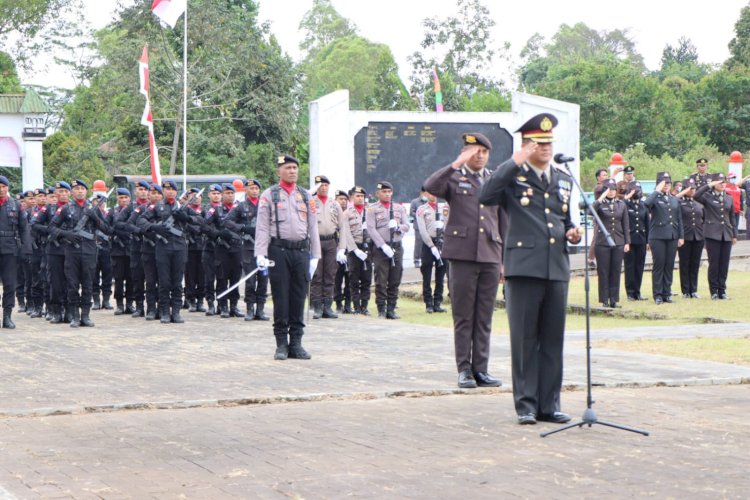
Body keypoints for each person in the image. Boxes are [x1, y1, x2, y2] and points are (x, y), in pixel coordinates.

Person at [479, 113, 582, 425]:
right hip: (524, 267)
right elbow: (486, 195)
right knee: (524, 340)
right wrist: (513, 162)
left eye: (549, 143)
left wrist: (573, 231)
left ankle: (549, 404)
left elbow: (563, 220)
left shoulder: (563, 178)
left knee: (553, 340)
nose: (546, 148)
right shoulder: (513, 177)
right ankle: (526, 405)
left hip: (556, 267)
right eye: (539, 143)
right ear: (525, 146)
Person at [424, 132, 505, 390]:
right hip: (462, 255)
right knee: (463, 316)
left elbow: (504, 220)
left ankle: (481, 368)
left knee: (484, 316)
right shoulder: (454, 178)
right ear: (464, 153)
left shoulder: (494, 180)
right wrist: (456, 163)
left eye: (483, 151)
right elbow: (431, 186)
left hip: (491, 255)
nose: (479, 155)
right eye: (474, 151)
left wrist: (503, 259)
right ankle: (464, 369)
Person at [255, 155, 321, 360]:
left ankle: (297, 344)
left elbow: (313, 226)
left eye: (295, 167)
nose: (293, 171)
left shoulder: (305, 196)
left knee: (299, 297)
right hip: (279, 251)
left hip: (301, 252)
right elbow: (263, 226)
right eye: (288, 167)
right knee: (281, 297)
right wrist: (260, 253)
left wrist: (315, 256)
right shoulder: (269, 195)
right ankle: (281, 344)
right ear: (279, 171)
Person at [49, 179, 110, 327]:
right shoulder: (66, 209)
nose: (80, 191)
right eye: (76, 189)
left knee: (88, 284)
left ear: (86, 191)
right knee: (72, 284)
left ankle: (85, 316)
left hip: (89, 250)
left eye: (82, 188)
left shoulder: (94, 208)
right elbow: (52, 227)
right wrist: (66, 234)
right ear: (72, 192)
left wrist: (95, 217)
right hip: (72, 251)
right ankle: (75, 316)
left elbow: (107, 229)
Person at [137, 180, 192, 323]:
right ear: (164, 192)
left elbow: (200, 221)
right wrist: (154, 228)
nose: (170, 192)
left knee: (177, 282)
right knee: (164, 281)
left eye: (172, 189)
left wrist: (187, 218)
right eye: (166, 189)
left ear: (176, 191)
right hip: (163, 247)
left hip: (179, 247)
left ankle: (176, 312)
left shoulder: (182, 207)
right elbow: (140, 220)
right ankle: (165, 312)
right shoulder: (157, 207)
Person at [224, 179, 269, 321]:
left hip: (265, 247)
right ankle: (250, 308)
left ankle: (260, 309)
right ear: (246, 190)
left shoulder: (266, 205)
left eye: (256, 188)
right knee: (250, 279)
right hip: (249, 247)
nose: (254, 190)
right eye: (251, 188)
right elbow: (227, 221)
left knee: (263, 279)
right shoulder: (241, 206)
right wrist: (242, 228)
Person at [366, 181, 409, 319]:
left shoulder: (399, 208)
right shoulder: (372, 209)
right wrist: (382, 246)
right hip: (381, 248)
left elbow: (407, 225)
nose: (387, 194)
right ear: (378, 193)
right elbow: (371, 229)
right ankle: (381, 309)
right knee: (381, 279)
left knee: (395, 278)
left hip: (396, 246)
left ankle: (391, 308)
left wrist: (398, 227)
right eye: (384, 192)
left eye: (389, 191)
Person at [310, 175, 348, 319]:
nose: (323, 188)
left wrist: (342, 248)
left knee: (330, 275)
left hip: (331, 242)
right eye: (320, 185)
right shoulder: (311, 202)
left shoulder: (334, 204)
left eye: (326, 185)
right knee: (317, 275)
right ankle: (317, 307)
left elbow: (342, 227)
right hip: (316, 242)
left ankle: (328, 307)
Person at [694, 173, 737, 299]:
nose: (723, 184)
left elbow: (732, 216)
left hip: (726, 234)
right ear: (714, 183)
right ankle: (714, 291)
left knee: (724, 264)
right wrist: (708, 185)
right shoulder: (707, 196)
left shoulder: (728, 198)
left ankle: (722, 290)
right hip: (712, 234)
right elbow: (696, 195)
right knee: (714, 264)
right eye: (720, 182)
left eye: (724, 182)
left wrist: (734, 234)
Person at [643, 172, 684, 304]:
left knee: (669, 265)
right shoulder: (654, 197)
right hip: (658, 236)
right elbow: (646, 205)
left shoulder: (674, 198)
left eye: (668, 183)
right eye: (663, 183)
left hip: (672, 235)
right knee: (659, 265)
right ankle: (658, 294)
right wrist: (656, 190)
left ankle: (667, 293)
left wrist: (681, 236)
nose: (666, 185)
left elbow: (679, 219)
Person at [592, 179, 630, 308]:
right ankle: (604, 299)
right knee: (603, 271)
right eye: (609, 190)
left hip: (618, 241)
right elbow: (591, 211)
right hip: (602, 242)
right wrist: (601, 198)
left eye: (614, 189)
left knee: (616, 270)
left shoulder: (621, 204)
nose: (612, 192)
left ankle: (614, 299)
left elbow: (625, 224)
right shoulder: (600, 204)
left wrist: (627, 242)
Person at [0, 176, 30, 328]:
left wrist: (26, 249)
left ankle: (7, 317)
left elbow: (24, 228)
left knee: (10, 284)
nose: (1, 189)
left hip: (10, 249)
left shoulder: (16, 205)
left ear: (8, 188)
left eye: (3, 186)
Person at [415, 190, 448, 313]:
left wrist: (444, 230)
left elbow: (450, 224)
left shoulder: (444, 207)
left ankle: (437, 303)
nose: (432, 195)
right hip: (428, 245)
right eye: (430, 193)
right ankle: (428, 303)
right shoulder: (421, 209)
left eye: (434, 193)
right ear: (425, 194)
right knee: (427, 275)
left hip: (443, 243)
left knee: (441, 275)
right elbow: (422, 230)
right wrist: (431, 246)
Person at [343, 186, 372, 315]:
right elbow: (346, 233)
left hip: (367, 248)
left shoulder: (369, 212)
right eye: (357, 196)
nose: (360, 198)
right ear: (351, 198)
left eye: (362, 196)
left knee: (367, 279)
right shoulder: (347, 213)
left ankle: (364, 306)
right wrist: (354, 249)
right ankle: (356, 306)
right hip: (354, 249)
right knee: (353, 279)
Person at [676, 179, 704, 299]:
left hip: (698, 237)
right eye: (690, 188)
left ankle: (694, 289)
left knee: (695, 264)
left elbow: (703, 221)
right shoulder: (679, 202)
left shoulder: (699, 204)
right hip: (685, 237)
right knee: (685, 264)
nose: (692, 191)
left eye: (694, 188)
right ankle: (686, 290)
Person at [623, 181, 649, 301]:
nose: (636, 192)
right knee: (630, 266)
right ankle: (630, 292)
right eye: (634, 190)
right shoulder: (626, 205)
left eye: (638, 190)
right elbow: (620, 203)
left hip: (641, 240)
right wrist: (628, 195)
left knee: (639, 266)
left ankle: (637, 291)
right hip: (630, 240)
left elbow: (647, 224)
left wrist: (648, 241)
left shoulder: (643, 205)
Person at [109, 188, 133, 315]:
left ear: (129, 198)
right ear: (117, 199)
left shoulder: (133, 211)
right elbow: (106, 227)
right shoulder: (112, 212)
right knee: (118, 278)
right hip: (117, 250)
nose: (123, 200)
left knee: (131, 278)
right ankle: (119, 304)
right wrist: (114, 233)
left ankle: (130, 303)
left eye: (125, 197)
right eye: (121, 197)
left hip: (131, 248)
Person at [332, 189, 352, 314]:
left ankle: (348, 304)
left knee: (350, 277)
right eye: (340, 199)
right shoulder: (332, 212)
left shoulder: (351, 213)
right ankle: (338, 303)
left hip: (350, 249)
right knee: (337, 278)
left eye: (345, 199)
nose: (343, 202)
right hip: (336, 249)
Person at [409, 188, 429, 268]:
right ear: (421, 193)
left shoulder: (429, 201)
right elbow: (411, 212)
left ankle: (426, 259)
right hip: (418, 226)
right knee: (419, 243)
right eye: (425, 193)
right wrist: (419, 214)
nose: (426, 195)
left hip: (428, 225)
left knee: (428, 242)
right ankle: (416, 260)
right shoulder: (415, 202)